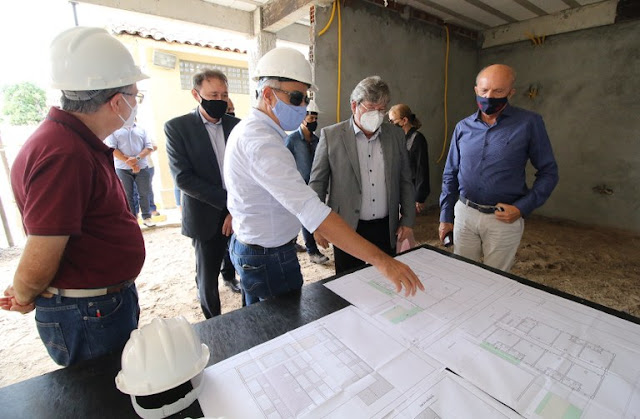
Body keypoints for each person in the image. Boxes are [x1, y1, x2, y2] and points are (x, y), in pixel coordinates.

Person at [224, 48, 423, 306]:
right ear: (267, 94)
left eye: (305, 98)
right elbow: (310, 206)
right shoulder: (262, 142)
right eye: (296, 98)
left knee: (263, 324)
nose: (304, 106)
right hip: (268, 255)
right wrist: (382, 261)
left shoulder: (257, 132)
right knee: (282, 329)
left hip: (262, 249)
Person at [1, 27, 147, 366]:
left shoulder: (71, 141)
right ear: (117, 101)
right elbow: (42, 249)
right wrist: (22, 293)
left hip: (98, 305)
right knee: (103, 402)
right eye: (135, 95)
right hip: (88, 313)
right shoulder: (64, 153)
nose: (135, 104)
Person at [439, 64, 559, 272]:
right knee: (462, 272)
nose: (489, 96)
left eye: (498, 91)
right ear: (476, 90)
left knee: (496, 280)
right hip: (465, 214)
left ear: (511, 92)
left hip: (502, 218)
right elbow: (451, 173)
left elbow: (549, 172)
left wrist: (522, 207)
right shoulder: (463, 127)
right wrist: (445, 216)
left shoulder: (529, 123)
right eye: (484, 90)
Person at [309, 76, 416, 275]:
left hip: (386, 226)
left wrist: (408, 220)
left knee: (387, 279)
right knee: (350, 283)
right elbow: (317, 183)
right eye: (370, 108)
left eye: (382, 109)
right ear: (354, 105)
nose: (376, 115)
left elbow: (405, 181)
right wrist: (317, 225)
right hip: (347, 226)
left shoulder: (395, 136)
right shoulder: (331, 136)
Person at [165, 69, 241, 319]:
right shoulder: (178, 128)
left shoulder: (237, 126)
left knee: (244, 264)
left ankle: (247, 313)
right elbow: (183, 178)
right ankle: (214, 322)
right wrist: (228, 204)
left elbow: (246, 171)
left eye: (224, 94)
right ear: (196, 95)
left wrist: (236, 209)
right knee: (207, 279)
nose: (219, 99)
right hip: (204, 215)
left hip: (239, 214)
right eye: (213, 94)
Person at [284, 99, 330, 265]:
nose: (314, 122)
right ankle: (312, 251)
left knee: (306, 218)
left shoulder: (318, 140)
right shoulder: (292, 140)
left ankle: (295, 243)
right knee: (306, 219)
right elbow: (285, 163)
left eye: (316, 119)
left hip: (316, 186)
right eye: (311, 119)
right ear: (302, 118)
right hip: (299, 187)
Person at [105, 121, 156, 227]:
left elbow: (149, 147)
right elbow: (112, 148)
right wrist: (130, 162)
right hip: (122, 168)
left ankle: (147, 217)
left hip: (142, 166)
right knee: (127, 194)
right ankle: (132, 219)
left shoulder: (142, 129)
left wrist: (136, 159)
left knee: (144, 193)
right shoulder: (114, 129)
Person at [388, 104, 430, 214]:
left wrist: (419, 197)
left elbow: (422, 169)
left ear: (404, 120)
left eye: (393, 121)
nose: (391, 124)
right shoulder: (398, 138)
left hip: (409, 191)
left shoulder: (417, 139)